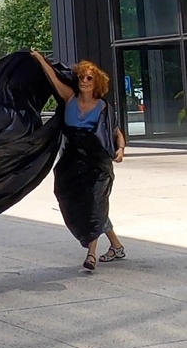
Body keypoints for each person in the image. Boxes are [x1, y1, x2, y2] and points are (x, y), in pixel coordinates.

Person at [30, 50, 126, 272]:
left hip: (97, 163)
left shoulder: (103, 107)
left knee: (94, 204)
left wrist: (120, 149)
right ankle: (117, 246)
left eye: (89, 78)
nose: (84, 81)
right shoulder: (69, 98)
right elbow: (53, 78)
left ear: (96, 83)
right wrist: (40, 59)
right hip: (72, 162)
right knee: (80, 203)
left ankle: (91, 255)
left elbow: (115, 132)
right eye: (81, 77)